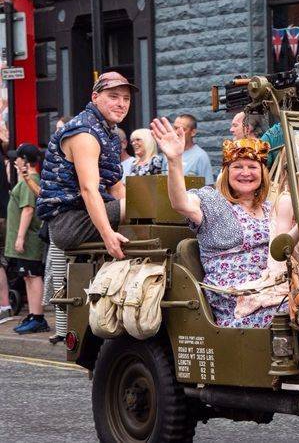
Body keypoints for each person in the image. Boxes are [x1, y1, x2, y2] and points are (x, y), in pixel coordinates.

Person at [152, 117, 284, 328]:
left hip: (270, 288)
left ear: (262, 173)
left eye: (252, 166)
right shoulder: (212, 201)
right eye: (238, 167)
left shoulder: (271, 207)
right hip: (234, 299)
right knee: (286, 313)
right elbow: (181, 203)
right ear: (226, 172)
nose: (246, 173)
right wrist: (174, 160)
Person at [36, 71, 133, 259]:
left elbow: (116, 187)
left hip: (85, 215)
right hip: (70, 222)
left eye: (126, 98)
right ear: (95, 97)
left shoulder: (107, 132)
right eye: (113, 97)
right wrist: (108, 236)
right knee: (143, 204)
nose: (121, 104)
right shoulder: (85, 133)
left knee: (145, 203)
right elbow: (89, 189)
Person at [6, 145, 48, 334]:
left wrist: (20, 237)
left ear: (25, 160)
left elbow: (28, 209)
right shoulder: (27, 180)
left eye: (18, 157)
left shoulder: (29, 181)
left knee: (33, 275)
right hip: (27, 239)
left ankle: (38, 317)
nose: (15, 160)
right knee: (28, 277)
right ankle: (33, 314)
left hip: (29, 239)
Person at [166, 114, 215, 185]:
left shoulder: (200, 156)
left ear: (193, 132)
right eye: (175, 128)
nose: (177, 132)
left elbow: (209, 187)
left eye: (182, 129)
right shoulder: (168, 153)